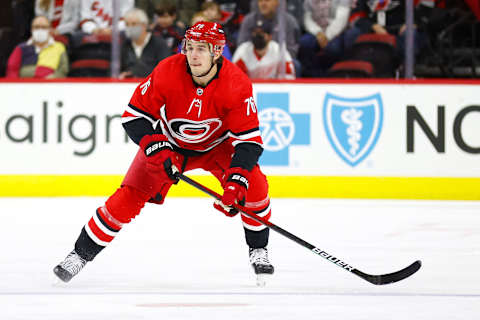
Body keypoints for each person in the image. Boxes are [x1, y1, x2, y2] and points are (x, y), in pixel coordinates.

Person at [53, 21, 275, 287]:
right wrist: (156, 146)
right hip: (171, 146)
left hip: (218, 147)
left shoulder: (236, 83)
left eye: (201, 49)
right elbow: (134, 117)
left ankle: (258, 249)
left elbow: (249, 142)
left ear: (217, 52)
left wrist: (236, 182)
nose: (193, 55)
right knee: (126, 199)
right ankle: (79, 255)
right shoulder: (168, 70)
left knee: (255, 187)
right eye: (189, 47)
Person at [237, 0, 301, 69]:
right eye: (260, 1)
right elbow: (242, 46)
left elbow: (292, 50)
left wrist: (270, 60)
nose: (263, 4)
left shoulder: (288, 21)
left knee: (295, 65)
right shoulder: (249, 20)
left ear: (277, 2)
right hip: (252, 61)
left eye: (267, 0)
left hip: (278, 62)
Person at [298, 0, 353, 77]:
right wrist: (318, 32)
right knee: (304, 43)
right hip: (316, 31)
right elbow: (307, 19)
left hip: (336, 32)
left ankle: (333, 76)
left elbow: (341, 20)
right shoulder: (308, 2)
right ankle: (311, 77)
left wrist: (327, 36)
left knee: (333, 48)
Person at [120, 8, 170, 79]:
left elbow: (166, 69)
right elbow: (116, 69)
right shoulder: (124, 45)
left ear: (144, 25)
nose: (129, 27)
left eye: (133, 24)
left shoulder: (159, 44)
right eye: (127, 24)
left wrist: (134, 73)